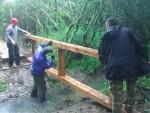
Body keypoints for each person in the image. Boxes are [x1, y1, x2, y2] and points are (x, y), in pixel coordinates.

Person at [98, 17, 149, 113]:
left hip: (115, 68)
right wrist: (145, 58)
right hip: (131, 66)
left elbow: (102, 56)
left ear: (108, 25)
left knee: (116, 97)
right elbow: (140, 46)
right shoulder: (127, 31)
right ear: (117, 24)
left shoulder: (106, 36)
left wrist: (108, 63)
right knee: (131, 90)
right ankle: (129, 109)